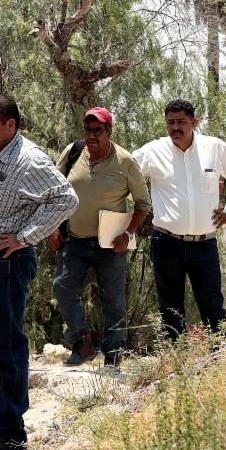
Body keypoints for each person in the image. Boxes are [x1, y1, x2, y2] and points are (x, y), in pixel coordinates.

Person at [0, 95, 78, 450]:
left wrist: (25, 237)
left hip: (5, 262)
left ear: (10, 125)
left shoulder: (28, 158)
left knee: (6, 345)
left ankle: (10, 433)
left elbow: (65, 198)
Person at [49, 108, 151, 367]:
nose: (92, 135)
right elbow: (53, 191)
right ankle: (81, 343)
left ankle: (114, 357)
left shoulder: (125, 161)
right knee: (62, 287)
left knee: (113, 301)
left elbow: (142, 203)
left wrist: (128, 234)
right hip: (75, 240)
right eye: (88, 130)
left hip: (111, 244)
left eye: (98, 130)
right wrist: (52, 229)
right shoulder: (73, 152)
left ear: (109, 132)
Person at [132, 99, 226, 340]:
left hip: (204, 243)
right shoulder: (152, 151)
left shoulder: (214, 148)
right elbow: (125, 175)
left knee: (212, 305)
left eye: (181, 122)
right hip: (166, 242)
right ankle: (175, 361)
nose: (175, 128)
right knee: (170, 309)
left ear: (194, 122)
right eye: (170, 122)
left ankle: (217, 360)